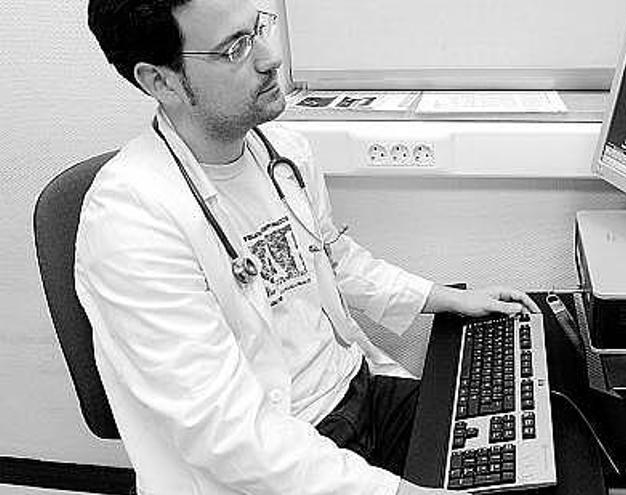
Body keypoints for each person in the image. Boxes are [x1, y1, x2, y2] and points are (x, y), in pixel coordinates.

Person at [78, 0, 539, 493]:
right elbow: (227, 432)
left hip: (357, 391)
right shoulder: (128, 223)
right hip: (274, 457)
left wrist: (441, 297)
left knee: (529, 444)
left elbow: (334, 258)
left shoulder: (284, 153)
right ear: (161, 81)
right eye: (234, 49)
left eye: (256, 29)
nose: (269, 57)